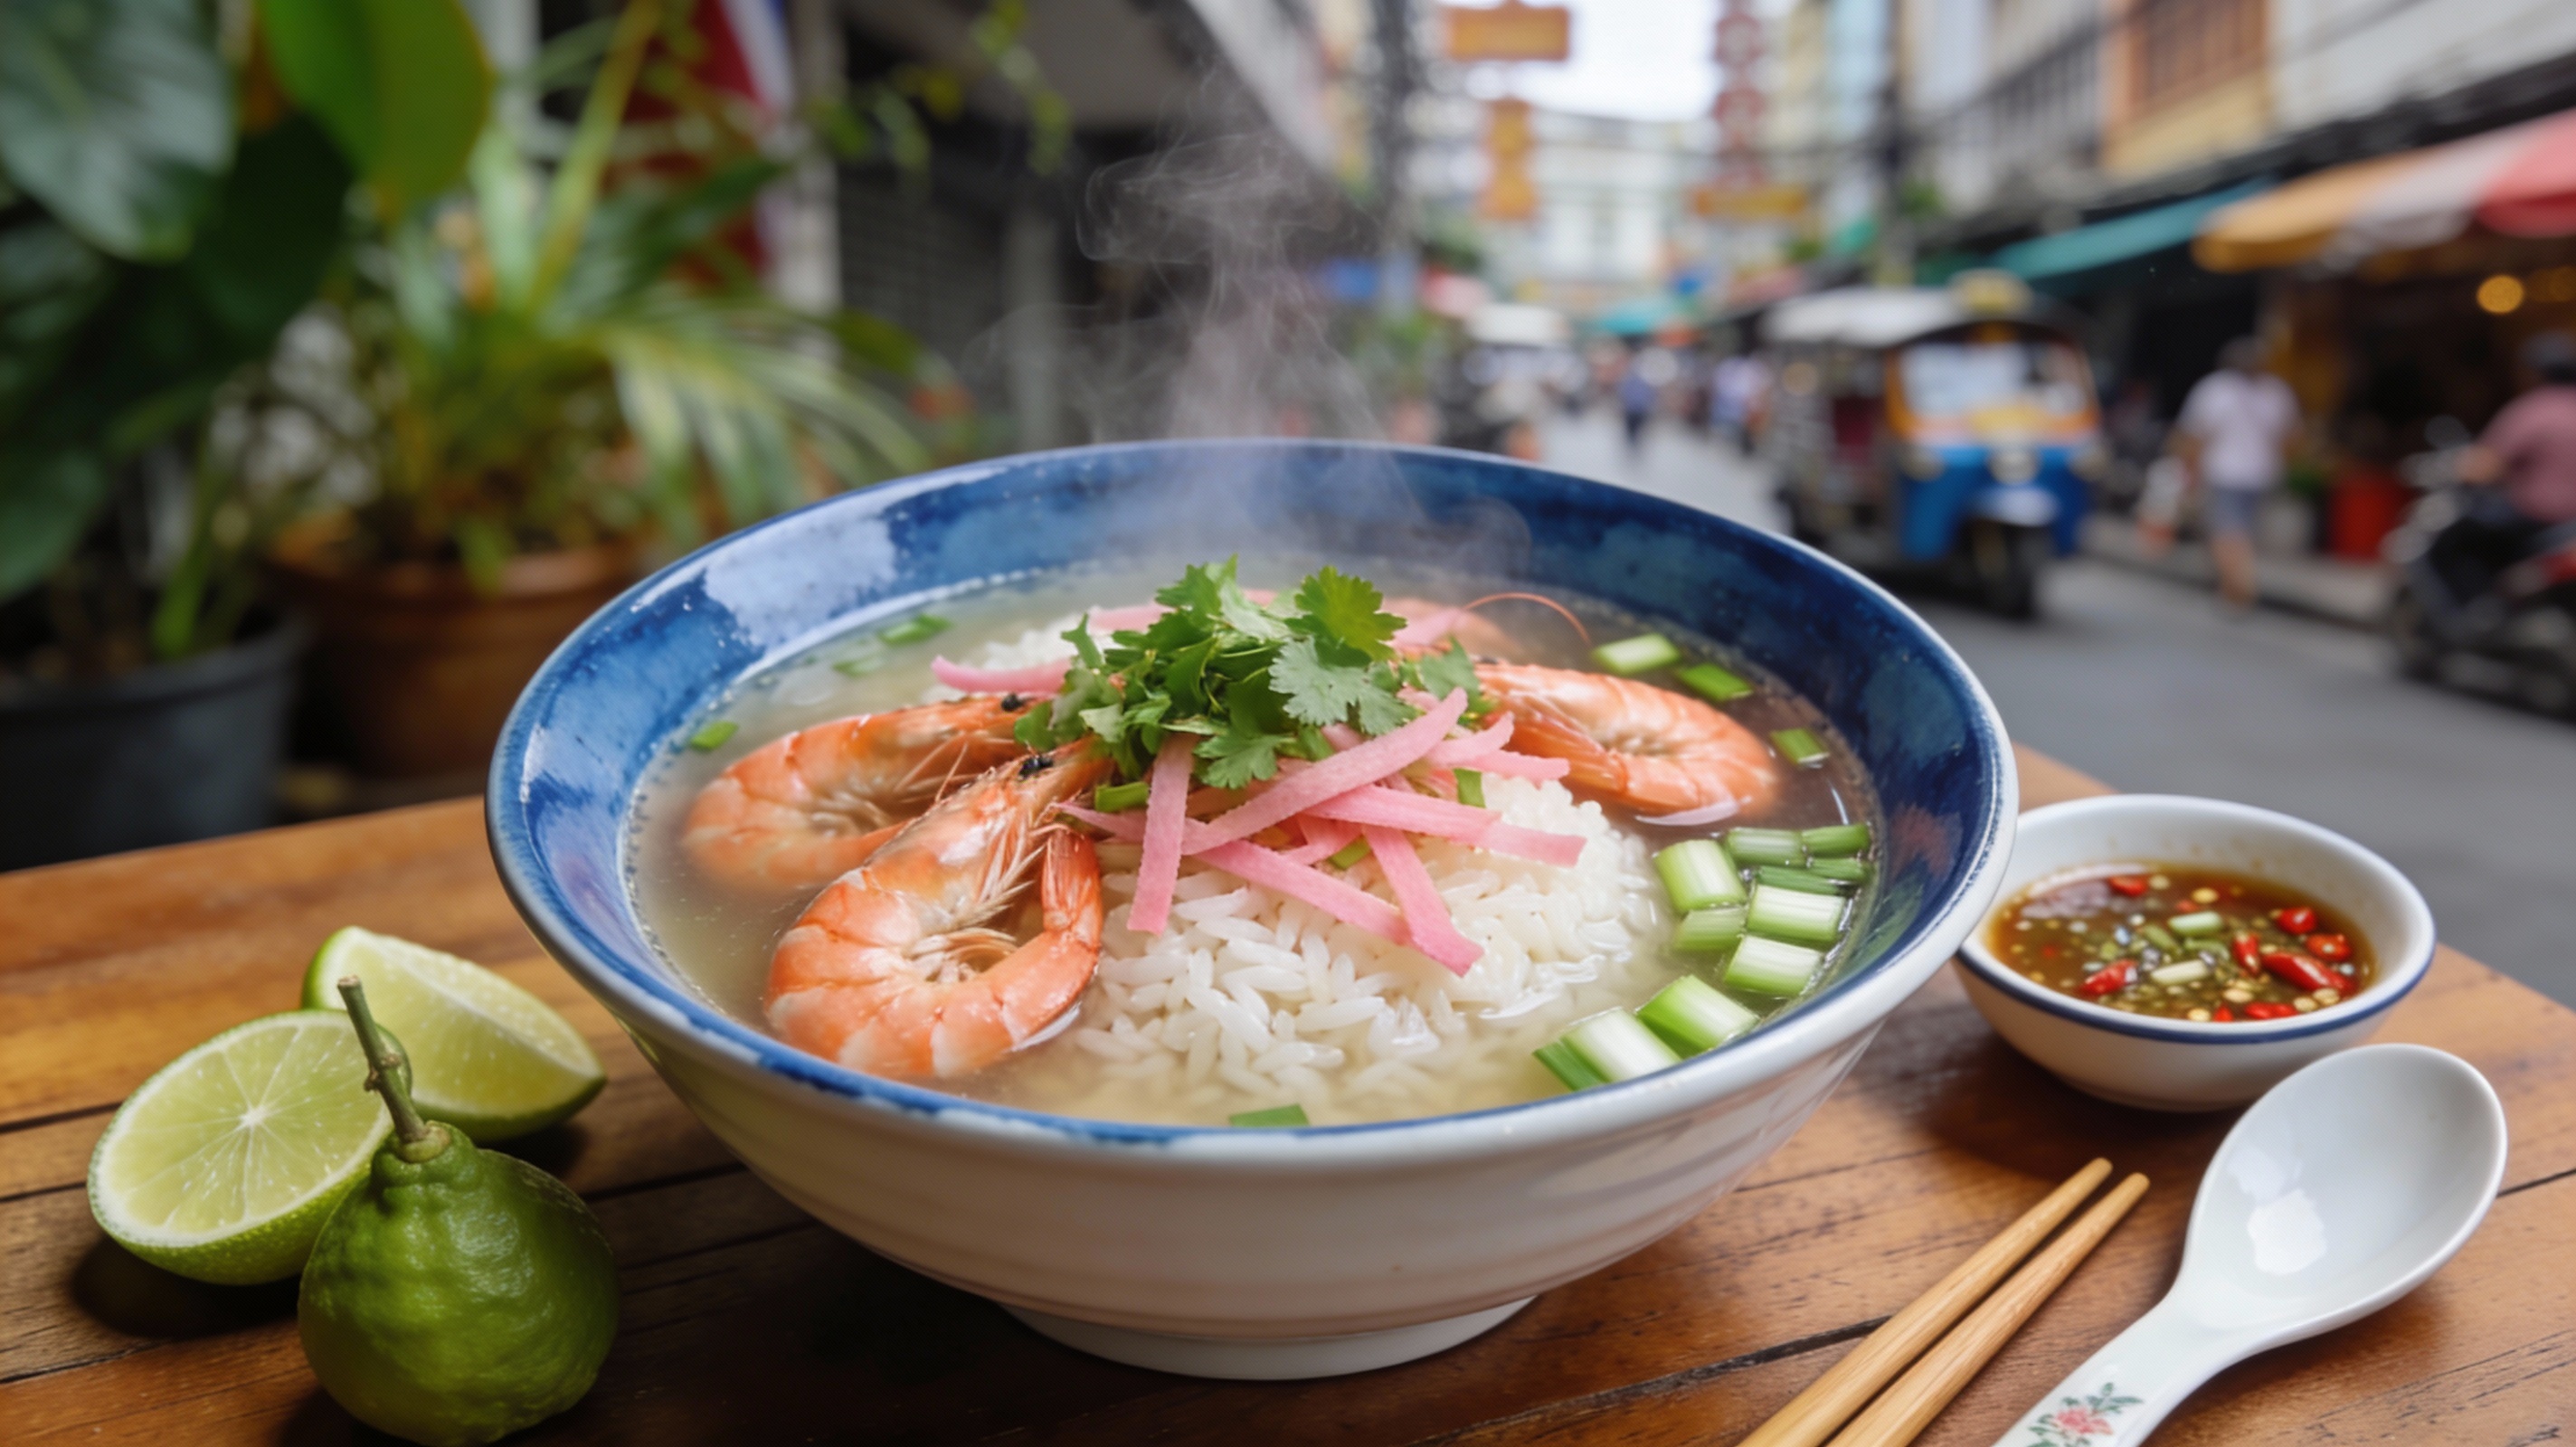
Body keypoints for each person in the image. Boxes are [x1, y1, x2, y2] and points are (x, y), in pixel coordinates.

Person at [2171, 337, 2302, 612]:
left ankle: (2241, 587)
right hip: (2262, 473)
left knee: (2228, 532)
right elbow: (2291, 439)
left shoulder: (2215, 390)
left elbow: (2194, 436)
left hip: (2225, 472)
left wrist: (2189, 471)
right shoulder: (2277, 393)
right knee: (2239, 531)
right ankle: (2230, 587)